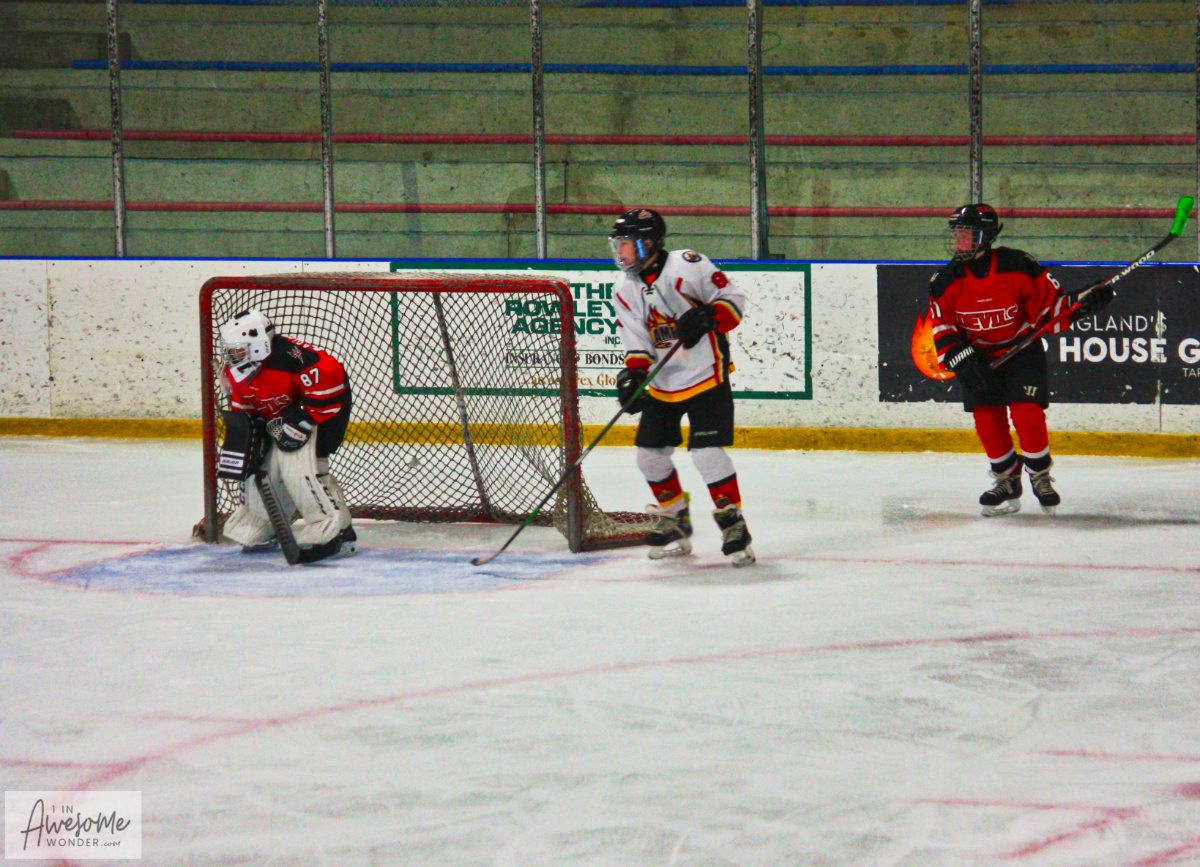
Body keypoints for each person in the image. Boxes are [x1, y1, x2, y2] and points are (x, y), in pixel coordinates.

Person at [927, 203, 1112, 516]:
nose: (958, 239)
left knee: (1027, 413)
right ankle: (1007, 479)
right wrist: (958, 355)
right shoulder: (944, 280)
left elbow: (1048, 311)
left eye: (965, 233)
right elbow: (942, 325)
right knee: (986, 418)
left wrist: (1080, 304)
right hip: (979, 359)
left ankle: (1040, 475)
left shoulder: (1018, 265)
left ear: (985, 236)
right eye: (956, 232)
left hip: (1021, 352)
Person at [608, 207, 755, 566]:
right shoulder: (623, 289)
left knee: (706, 454)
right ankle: (675, 519)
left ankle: (733, 523)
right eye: (618, 244)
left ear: (648, 244)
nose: (620, 251)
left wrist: (709, 316)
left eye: (626, 244)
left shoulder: (688, 265)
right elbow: (637, 343)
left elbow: (734, 302)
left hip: (707, 375)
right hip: (664, 384)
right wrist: (633, 376)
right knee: (649, 457)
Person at [217, 308, 356, 559]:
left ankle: (337, 529)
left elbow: (327, 403)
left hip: (321, 411)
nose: (230, 356)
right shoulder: (236, 370)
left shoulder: (306, 362)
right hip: (283, 413)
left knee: (301, 467)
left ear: (257, 346)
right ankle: (263, 521)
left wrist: (301, 423)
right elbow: (246, 409)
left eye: (237, 350)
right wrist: (251, 436)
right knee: (261, 466)